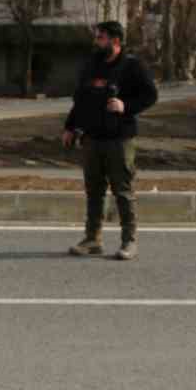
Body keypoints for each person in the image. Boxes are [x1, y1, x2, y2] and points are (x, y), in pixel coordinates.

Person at [61, 21, 158, 261]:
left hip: (119, 139)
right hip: (92, 138)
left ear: (115, 40)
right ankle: (92, 239)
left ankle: (129, 241)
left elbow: (150, 95)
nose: (97, 41)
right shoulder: (91, 65)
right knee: (94, 191)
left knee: (122, 191)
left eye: (101, 37)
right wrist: (70, 127)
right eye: (97, 37)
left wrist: (126, 106)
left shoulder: (132, 66)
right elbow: (80, 100)